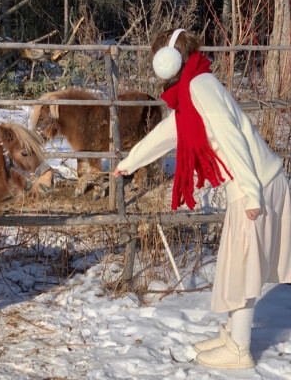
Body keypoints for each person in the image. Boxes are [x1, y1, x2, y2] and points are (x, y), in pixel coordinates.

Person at [113, 28, 291, 369]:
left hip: (255, 185)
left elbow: (230, 135)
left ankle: (239, 349)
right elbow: (171, 133)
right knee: (242, 264)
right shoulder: (195, 86)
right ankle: (233, 335)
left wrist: (251, 193)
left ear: (168, 61)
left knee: (243, 267)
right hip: (253, 182)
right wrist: (131, 162)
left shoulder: (200, 86)